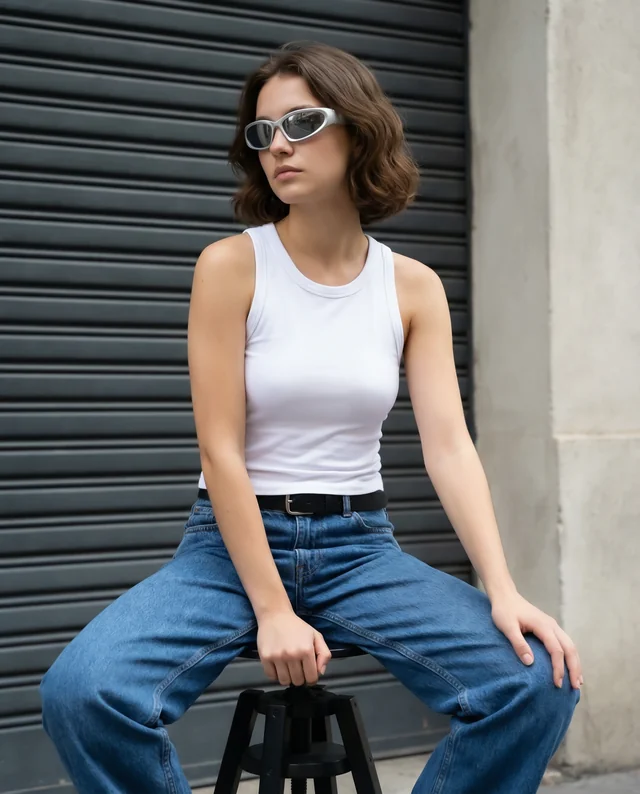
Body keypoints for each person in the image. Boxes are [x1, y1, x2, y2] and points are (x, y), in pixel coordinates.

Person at [39, 41, 582, 794]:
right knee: (83, 693)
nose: (278, 146)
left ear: (357, 128)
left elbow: (450, 448)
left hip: (360, 548)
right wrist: (272, 609)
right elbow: (221, 451)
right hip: (226, 552)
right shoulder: (231, 266)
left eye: (301, 121)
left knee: (538, 684)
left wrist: (503, 588)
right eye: (263, 133)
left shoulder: (413, 286)